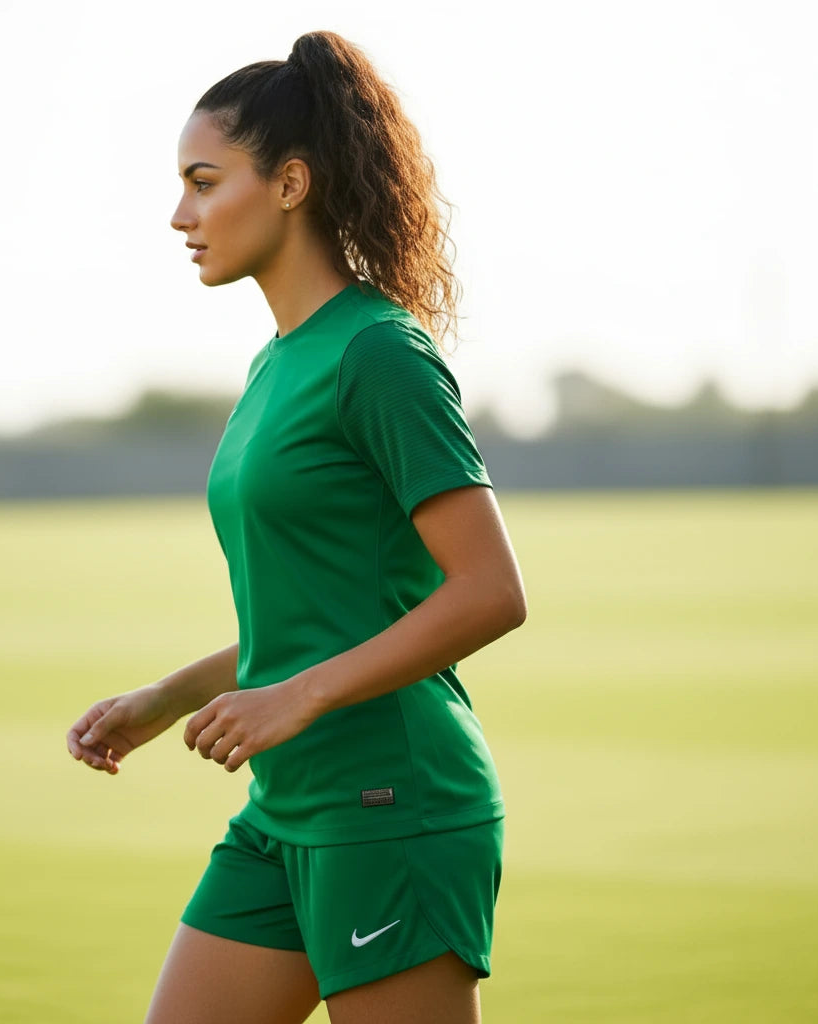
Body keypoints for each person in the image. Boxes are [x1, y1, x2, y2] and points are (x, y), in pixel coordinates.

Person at [66, 30, 527, 1024]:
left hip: (391, 805)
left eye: (203, 182)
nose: (180, 215)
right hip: (282, 812)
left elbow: (491, 592)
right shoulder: (275, 364)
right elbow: (316, 613)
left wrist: (296, 699)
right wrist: (167, 697)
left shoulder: (378, 353)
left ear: (290, 185)